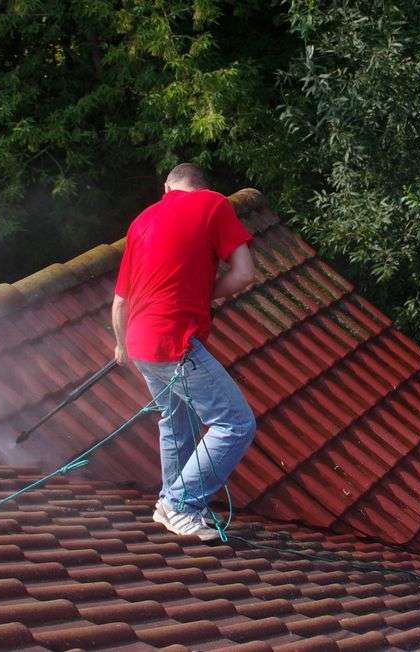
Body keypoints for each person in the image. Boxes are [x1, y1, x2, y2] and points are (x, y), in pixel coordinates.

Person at [111, 163, 257, 541]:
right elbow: (244, 274)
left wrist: (121, 344)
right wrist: (202, 295)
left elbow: (120, 302)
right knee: (235, 424)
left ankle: (171, 502)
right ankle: (180, 504)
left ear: (167, 188)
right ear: (202, 186)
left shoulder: (141, 221)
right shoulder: (213, 203)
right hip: (172, 339)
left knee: (176, 420)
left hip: (138, 341)